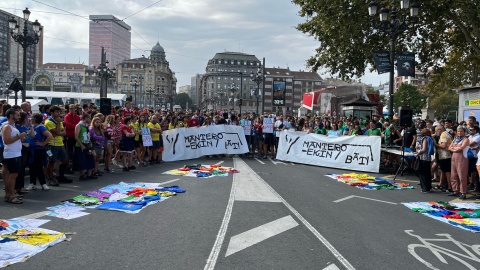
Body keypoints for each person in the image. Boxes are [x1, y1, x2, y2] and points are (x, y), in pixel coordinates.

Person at [2, 109, 25, 204]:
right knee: (13, 175)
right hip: (12, 154)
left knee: (11, 175)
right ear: (11, 115)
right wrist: (18, 137)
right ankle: (11, 195)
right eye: (17, 115)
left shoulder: (13, 126)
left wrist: (21, 138)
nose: (19, 116)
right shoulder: (7, 126)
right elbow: (7, 141)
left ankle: (8, 195)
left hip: (15, 153)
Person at [45, 105, 71, 186]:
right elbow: (56, 132)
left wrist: (59, 131)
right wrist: (59, 123)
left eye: (59, 112)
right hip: (52, 144)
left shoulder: (58, 121)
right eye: (57, 112)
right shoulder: (49, 121)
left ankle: (60, 176)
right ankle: (50, 178)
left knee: (65, 161)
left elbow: (63, 132)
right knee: (51, 162)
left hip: (60, 143)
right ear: (52, 113)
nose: (58, 113)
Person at [26, 113, 52, 191]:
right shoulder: (31, 127)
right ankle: (32, 183)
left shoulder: (41, 127)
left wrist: (42, 143)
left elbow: (49, 135)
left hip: (38, 150)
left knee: (39, 167)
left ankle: (43, 183)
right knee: (31, 167)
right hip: (31, 149)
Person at [14, 112, 34, 194]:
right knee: (20, 168)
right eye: (26, 118)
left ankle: (20, 186)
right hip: (21, 148)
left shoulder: (25, 127)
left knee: (22, 168)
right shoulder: (17, 127)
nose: (27, 120)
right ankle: (17, 187)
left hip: (26, 148)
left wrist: (30, 125)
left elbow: (32, 135)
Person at [448, 126, 470, 199]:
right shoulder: (455, 139)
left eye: (461, 131)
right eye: (458, 131)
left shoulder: (466, 139)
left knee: (462, 176)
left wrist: (454, 148)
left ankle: (463, 193)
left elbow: (461, 148)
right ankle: (455, 190)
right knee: (454, 175)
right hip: (454, 158)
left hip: (462, 159)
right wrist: (455, 148)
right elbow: (449, 147)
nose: (459, 133)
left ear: (464, 132)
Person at [73, 114, 96, 180]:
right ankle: (81, 175)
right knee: (82, 161)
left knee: (90, 159)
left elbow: (88, 135)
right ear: (86, 118)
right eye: (89, 118)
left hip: (87, 145)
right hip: (81, 145)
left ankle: (89, 174)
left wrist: (90, 142)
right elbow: (76, 136)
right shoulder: (78, 125)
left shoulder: (86, 126)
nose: (90, 120)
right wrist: (81, 145)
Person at [434, 124, 453, 192]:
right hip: (444, 156)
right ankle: (440, 184)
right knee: (443, 171)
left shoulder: (443, 135)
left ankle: (450, 187)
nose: (436, 133)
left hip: (445, 156)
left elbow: (444, 145)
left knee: (447, 172)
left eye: (436, 131)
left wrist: (436, 144)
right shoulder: (446, 134)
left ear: (439, 130)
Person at [415, 128, 434, 193]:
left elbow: (423, 149)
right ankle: (429, 187)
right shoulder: (430, 139)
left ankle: (424, 188)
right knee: (427, 173)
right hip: (428, 158)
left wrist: (418, 153)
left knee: (422, 173)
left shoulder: (425, 138)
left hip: (423, 158)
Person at [64, 104, 80, 173]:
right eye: (70, 108)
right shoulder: (67, 116)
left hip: (76, 136)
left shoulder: (78, 117)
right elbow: (68, 125)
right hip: (69, 136)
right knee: (68, 151)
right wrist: (76, 127)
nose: (72, 110)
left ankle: (75, 166)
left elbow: (79, 124)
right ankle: (67, 167)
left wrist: (75, 127)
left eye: (73, 108)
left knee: (76, 151)